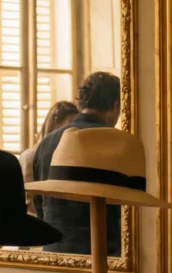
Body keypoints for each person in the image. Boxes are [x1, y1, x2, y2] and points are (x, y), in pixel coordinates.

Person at [32, 72, 122, 255]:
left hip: (53, 252)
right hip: (102, 253)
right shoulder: (115, 142)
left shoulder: (47, 143)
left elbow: (39, 202)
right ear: (115, 105)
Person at [19, 101, 78, 213]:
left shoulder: (71, 156)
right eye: (69, 126)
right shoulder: (30, 157)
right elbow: (30, 200)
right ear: (54, 125)